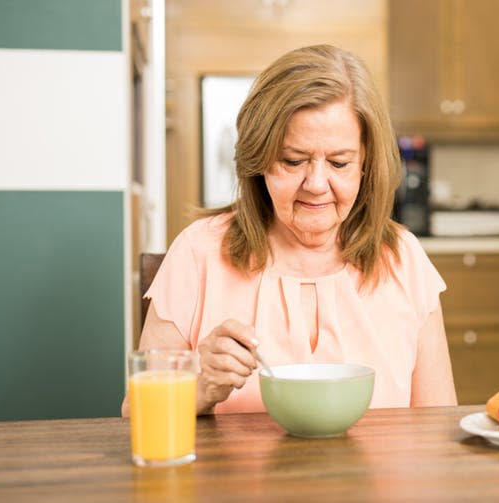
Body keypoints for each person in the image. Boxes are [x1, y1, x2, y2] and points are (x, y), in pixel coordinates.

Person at [121, 44, 456, 416]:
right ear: (258, 160)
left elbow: (438, 423)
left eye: (340, 163)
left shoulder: (404, 259)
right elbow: (136, 414)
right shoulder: (198, 252)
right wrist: (199, 388)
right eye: (293, 160)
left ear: (366, 165)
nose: (316, 183)